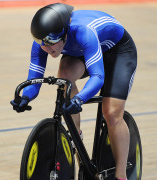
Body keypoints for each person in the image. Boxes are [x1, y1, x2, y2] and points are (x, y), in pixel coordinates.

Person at [10, 3, 137, 180]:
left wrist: (79, 98)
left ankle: (122, 175)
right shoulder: (43, 41)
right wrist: (25, 97)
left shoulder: (83, 32)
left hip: (117, 53)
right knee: (64, 78)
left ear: (63, 34)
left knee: (111, 113)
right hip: (84, 51)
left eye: (51, 43)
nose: (47, 48)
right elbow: (34, 81)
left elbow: (98, 77)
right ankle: (76, 138)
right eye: (42, 44)